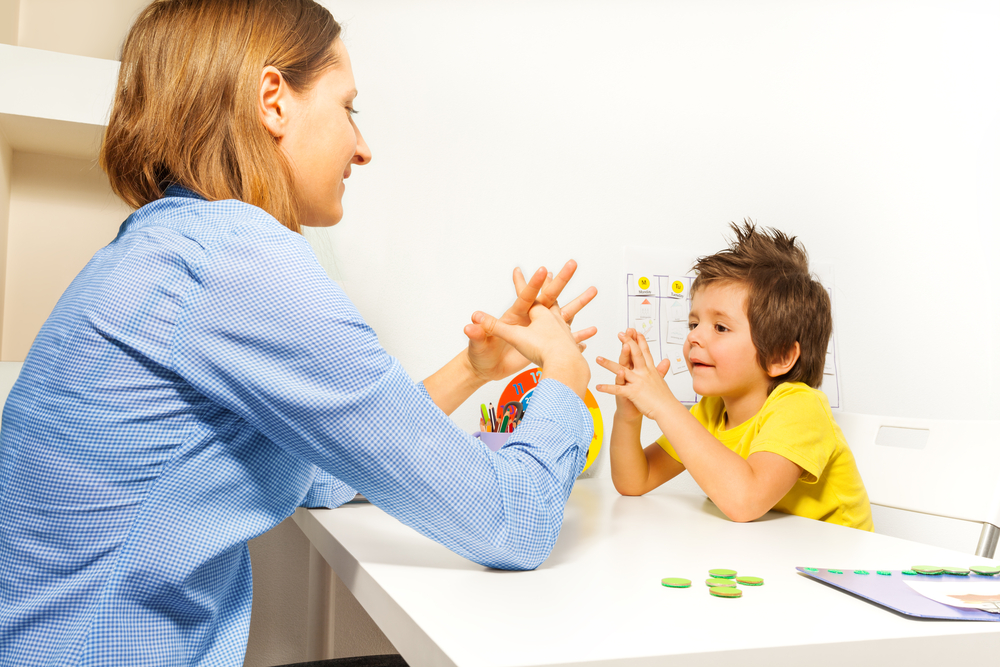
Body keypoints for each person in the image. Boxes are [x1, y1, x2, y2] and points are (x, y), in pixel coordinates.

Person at [0, 1, 597, 665]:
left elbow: (320, 471)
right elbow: (513, 519)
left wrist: (471, 367)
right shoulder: (239, 262)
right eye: (350, 108)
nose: (363, 147)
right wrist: (566, 377)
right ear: (273, 102)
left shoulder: (169, 247)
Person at [596, 222, 872, 530]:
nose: (694, 338)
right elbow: (635, 480)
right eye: (693, 324)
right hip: (768, 558)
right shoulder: (711, 412)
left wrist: (664, 406)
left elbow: (745, 501)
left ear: (780, 356)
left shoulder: (801, 408)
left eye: (720, 327)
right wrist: (628, 416)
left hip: (837, 566)